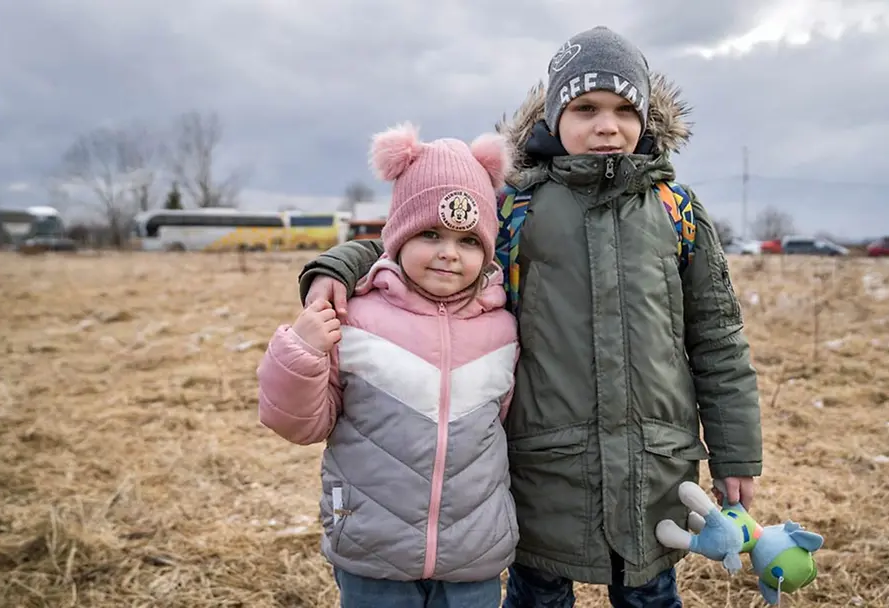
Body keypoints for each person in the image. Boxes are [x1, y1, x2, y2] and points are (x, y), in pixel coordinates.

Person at [297, 25, 763, 608]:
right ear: (553, 113)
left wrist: (735, 453)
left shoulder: (677, 212)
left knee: (650, 596)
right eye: (586, 107)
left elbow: (718, 340)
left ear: (646, 117)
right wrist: (335, 267)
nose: (606, 126)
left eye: (624, 109)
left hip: (655, 466)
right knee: (538, 596)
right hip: (542, 466)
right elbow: (416, 235)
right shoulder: (515, 204)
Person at [257, 123, 521, 608]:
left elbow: (500, 423)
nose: (448, 252)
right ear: (395, 239)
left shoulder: (503, 330)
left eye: (467, 241)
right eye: (429, 233)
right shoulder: (354, 317)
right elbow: (298, 423)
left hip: (473, 556)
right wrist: (302, 350)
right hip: (371, 549)